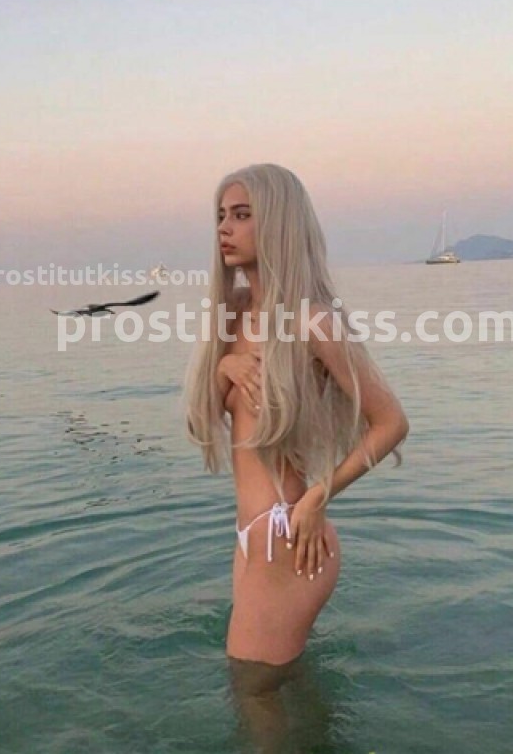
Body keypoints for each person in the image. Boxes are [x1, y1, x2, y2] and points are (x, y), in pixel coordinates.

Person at [185, 163, 409, 671]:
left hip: (286, 535)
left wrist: (316, 498)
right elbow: (201, 425)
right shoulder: (232, 313)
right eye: (221, 215)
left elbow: (392, 422)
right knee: (266, 693)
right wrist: (224, 367)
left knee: (254, 695)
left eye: (242, 215)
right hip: (251, 539)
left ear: (278, 222)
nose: (224, 228)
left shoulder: (312, 320)